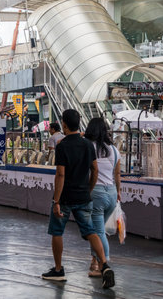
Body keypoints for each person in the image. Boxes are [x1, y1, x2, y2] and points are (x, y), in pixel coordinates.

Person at [41, 109, 115, 289]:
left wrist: (56, 201)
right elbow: (95, 170)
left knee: (57, 232)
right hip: (84, 197)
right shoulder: (88, 145)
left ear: (64, 125)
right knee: (91, 231)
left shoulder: (62, 145)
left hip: (65, 198)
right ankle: (104, 265)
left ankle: (58, 270)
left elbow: (60, 174)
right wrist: (88, 189)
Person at [84, 118, 121, 277]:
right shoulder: (114, 149)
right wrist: (118, 192)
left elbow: (87, 172)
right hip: (112, 193)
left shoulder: (88, 147)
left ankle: (103, 266)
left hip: (96, 193)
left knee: (98, 231)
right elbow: (117, 174)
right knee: (98, 231)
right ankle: (94, 261)